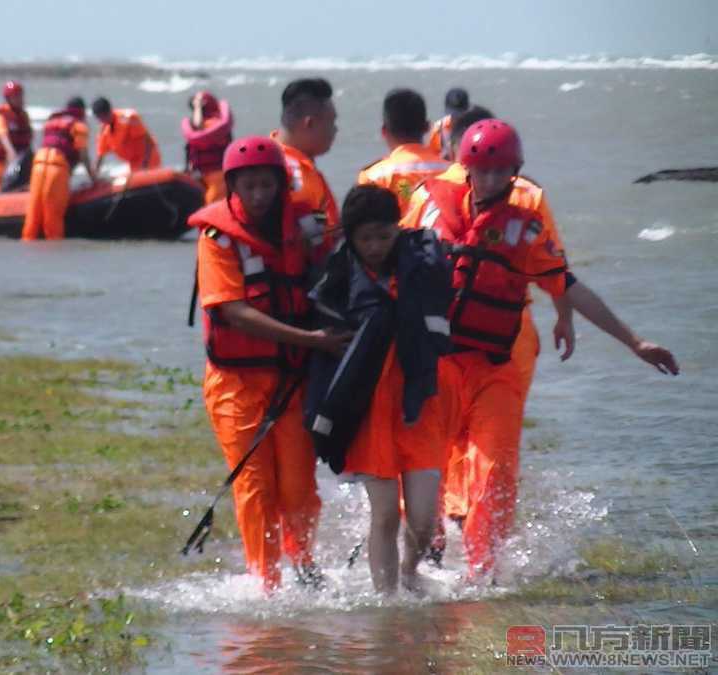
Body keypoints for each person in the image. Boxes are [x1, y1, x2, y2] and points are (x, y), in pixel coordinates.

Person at [400, 119, 679, 579]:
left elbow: (569, 285)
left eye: (500, 172)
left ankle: (482, 573)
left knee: (495, 470)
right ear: (465, 169)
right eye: (482, 171)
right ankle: (422, 553)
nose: (490, 181)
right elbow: (390, 265)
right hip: (439, 361)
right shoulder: (428, 207)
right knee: (423, 464)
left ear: (515, 172)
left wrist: (634, 342)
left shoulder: (525, 229)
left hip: (497, 366)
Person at [189, 135, 351, 593]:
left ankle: (304, 568)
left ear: (281, 184)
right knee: (256, 487)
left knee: (299, 487)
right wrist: (310, 340)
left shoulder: (307, 228)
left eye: (267, 185)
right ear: (232, 186)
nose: (259, 195)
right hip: (234, 383)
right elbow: (231, 311)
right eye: (250, 186)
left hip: (291, 378)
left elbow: (341, 268)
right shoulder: (217, 237)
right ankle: (267, 585)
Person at [311, 184, 460, 595]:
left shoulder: (425, 263)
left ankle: (411, 573)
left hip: (419, 402)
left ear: (398, 229)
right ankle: (386, 601)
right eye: (365, 238)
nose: (375, 246)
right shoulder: (337, 279)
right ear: (350, 237)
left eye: (384, 235)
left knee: (424, 518)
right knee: (385, 516)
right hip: (369, 410)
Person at [270, 78, 342, 262]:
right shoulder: (293, 174)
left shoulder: (270, 158)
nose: (335, 130)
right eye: (331, 122)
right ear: (309, 123)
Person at [357, 88, 449, 211]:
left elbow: (364, 227)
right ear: (427, 127)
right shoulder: (454, 171)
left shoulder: (373, 177)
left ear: (384, 131)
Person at [21, 97, 99, 241]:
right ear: (82, 111)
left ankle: (27, 247)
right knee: (53, 215)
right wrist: (93, 179)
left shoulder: (51, 122)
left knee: (33, 214)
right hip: (57, 167)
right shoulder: (79, 125)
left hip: (38, 165)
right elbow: (83, 155)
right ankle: (54, 253)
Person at [182, 91, 234, 204]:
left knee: (213, 201)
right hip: (200, 173)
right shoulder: (197, 125)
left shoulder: (215, 124)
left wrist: (197, 106)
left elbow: (198, 125)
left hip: (217, 173)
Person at [91, 97, 162, 176]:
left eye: (103, 116)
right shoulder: (103, 131)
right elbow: (100, 156)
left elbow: (148, 140)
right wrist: (94, 176)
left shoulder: (129, 118)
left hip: (148, 158)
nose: (101, 120)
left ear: (109, 111)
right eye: (99, 117)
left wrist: (145, 163)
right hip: (133, 163)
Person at [0, 80, 33, 193]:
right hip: (3, 162)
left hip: (20, 163)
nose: (20, 99)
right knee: (0, 191)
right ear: (8, 98)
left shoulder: (24, 116)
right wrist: (12, 155)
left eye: (21, 96)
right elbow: (2, 136)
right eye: (16, 96)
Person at [427, 87, 470, 160]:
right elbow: (431, 155)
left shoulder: (475, 128)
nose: (456, 118)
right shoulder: (438, 129)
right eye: (453, 114)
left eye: (460, 114)